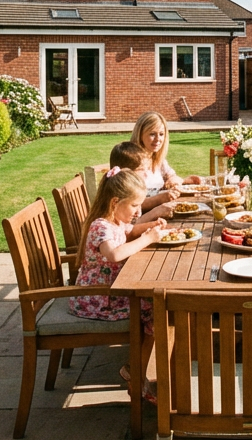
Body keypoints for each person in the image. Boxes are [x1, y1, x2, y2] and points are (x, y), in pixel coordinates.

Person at [68, 167, 167, 400]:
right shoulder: (100, 227)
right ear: (115, 202)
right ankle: (137, 374)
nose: (138, 211)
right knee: (158, 311)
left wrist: (151, 227)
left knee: (159, 306)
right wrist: (148, 239)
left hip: (111, 293)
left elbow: (130, 231)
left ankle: (140, 368)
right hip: (97, 300)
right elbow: (114, 254)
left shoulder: (115, 222)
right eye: (134, 206)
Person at [130, 112, 187, 211]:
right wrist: (159, 199)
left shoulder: (158, 159)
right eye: (152, 134)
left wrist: (173, 181)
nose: (158, 139)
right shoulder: (133, 162)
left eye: (161, 134)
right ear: (140, 134)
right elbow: (130, 204)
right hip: (140, 220)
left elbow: (173, 176)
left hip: (160, 213)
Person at [110, 141, 173, 223]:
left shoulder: (133, 189)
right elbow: (128, 230)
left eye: (146, 169)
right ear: (126, 171)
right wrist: (154, 213)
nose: (146, 174)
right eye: (141, 170)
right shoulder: (121, 195)